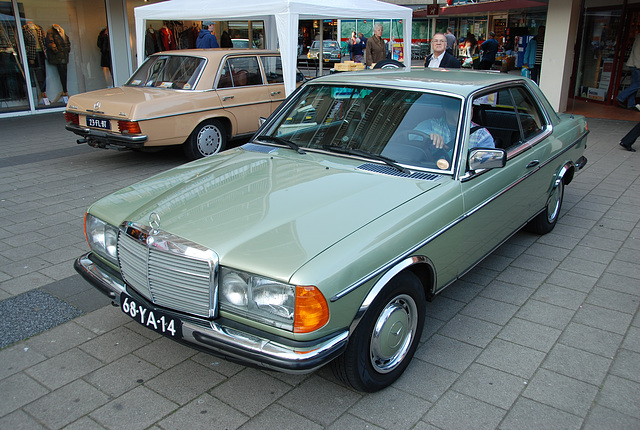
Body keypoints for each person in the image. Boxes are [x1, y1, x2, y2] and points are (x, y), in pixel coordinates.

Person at [414, 99, 494, 158]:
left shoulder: (481, 135)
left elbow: (487, 165)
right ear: (446, 108)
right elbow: (411, 135)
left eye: (470, 107)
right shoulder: (431, 125)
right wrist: (430, 136)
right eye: (459, 107)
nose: (467, 111)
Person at [616, 32, 640, 110]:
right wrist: (638, 65)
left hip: (635, 64)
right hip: (637, 65)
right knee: (637, 84)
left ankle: (631, 104)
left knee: (635, 84)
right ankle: (621, 97)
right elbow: (637, 52)